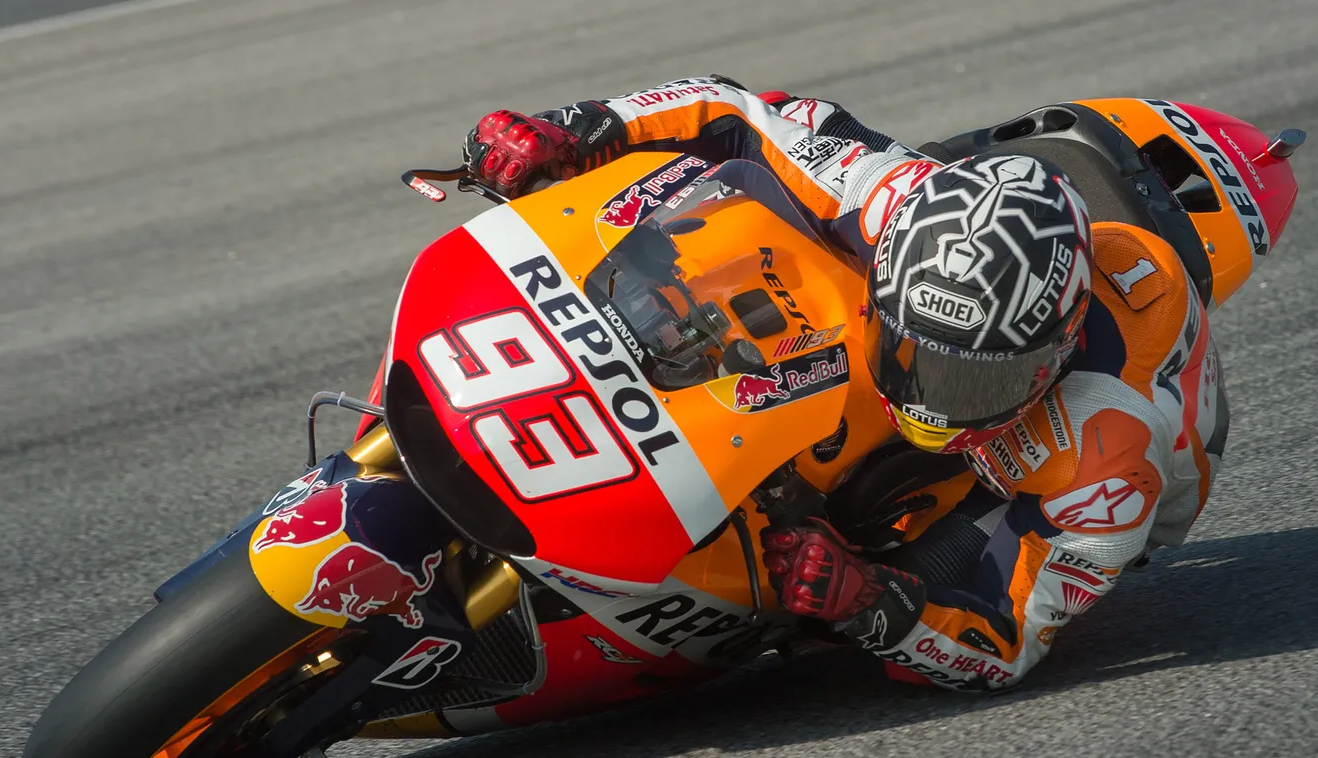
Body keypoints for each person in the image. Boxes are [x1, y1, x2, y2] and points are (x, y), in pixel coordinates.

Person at [462, 76, 1229, 690]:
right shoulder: (888, 196)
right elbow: (735, 113)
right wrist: (579, 130)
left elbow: (1008, 639)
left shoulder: (1111, 450)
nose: (933, 399)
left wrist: (871, 601)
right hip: (942, 301)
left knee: (887, 568)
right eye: (923, 358)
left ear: (1050, 355)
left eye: (968, 380)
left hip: (1036, 474)